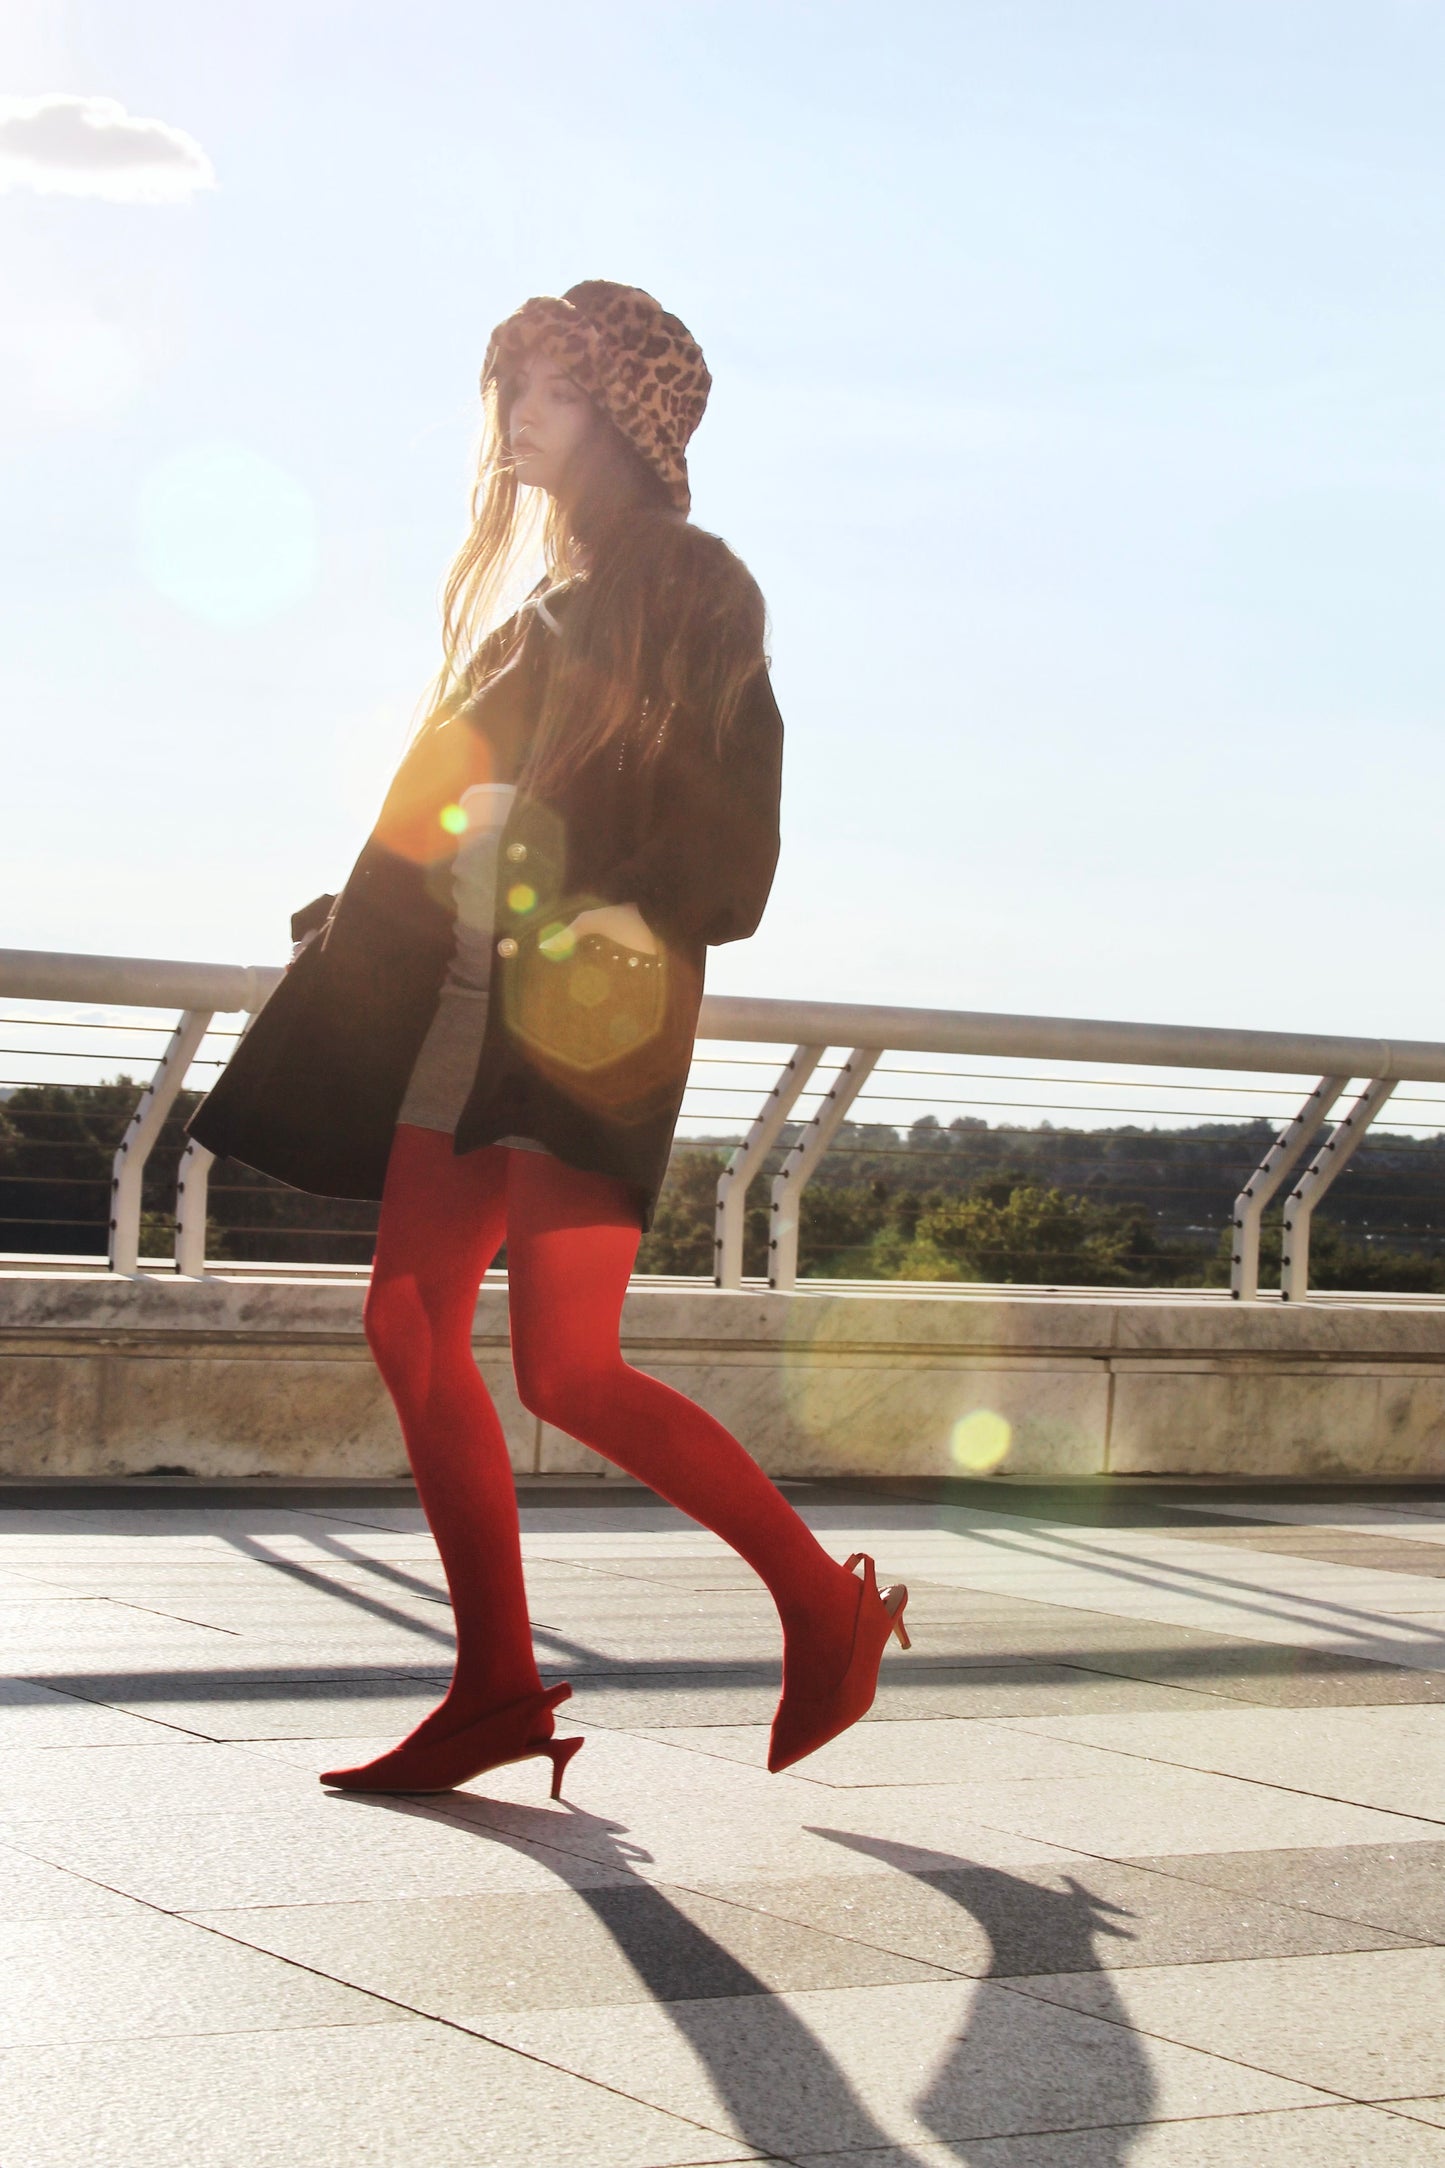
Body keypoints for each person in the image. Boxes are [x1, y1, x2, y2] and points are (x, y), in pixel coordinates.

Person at [189, 280, 909, 1799]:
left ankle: (820, 1605)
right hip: (455, 1008)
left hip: (582, 1027)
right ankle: (496, 1686)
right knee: (406, 1321)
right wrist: (371, 911)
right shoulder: (542, 600)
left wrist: (563, 867)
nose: (518, 416)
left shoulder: (689, 585)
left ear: (628, 416)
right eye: (509, 385)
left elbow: (730, 863)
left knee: (569, 1370)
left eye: (552, 390)